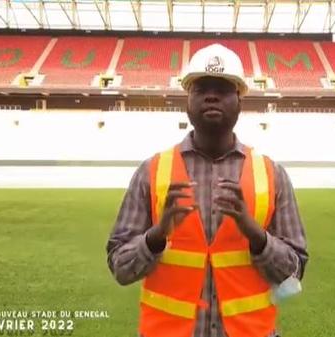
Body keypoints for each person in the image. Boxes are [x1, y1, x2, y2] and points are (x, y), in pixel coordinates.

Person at [106, 44, 308, 337]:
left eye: (223, 89)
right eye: (201, 88)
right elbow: (120, 268)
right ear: (187, 99)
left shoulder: (271, 174)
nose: (211, 95)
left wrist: (256, 235)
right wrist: (156, 236)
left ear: (239, 100)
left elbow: (295, 270)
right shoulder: (151, 172)